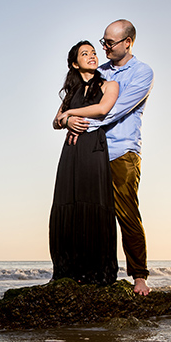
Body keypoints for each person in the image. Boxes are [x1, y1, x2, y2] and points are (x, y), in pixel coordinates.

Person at [62, 20, 153, 295]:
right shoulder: (98, 71)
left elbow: (113, 111)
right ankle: (93, 273)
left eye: (109, 43)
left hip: (122, 152)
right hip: (92, 152)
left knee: (126, 214)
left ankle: (139, 276)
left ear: (128, 42)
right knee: (92, 216)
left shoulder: (142, 73)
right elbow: (73, 103)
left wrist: (78, 120)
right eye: (103, 42)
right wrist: (66, 120)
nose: (103, 48)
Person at [48, 40, 120, 286]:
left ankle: (97, 272)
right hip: (71, 151)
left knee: (94, 203)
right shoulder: (71, 93)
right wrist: (66, 121)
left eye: (93, 52)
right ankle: (67, 270)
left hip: (93, 148)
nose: (91, 56)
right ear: (74, 63)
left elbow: (102, 109)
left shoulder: (110, 84)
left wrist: (70, 114)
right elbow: (54, 121)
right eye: (84, 53)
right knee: (67, 203)